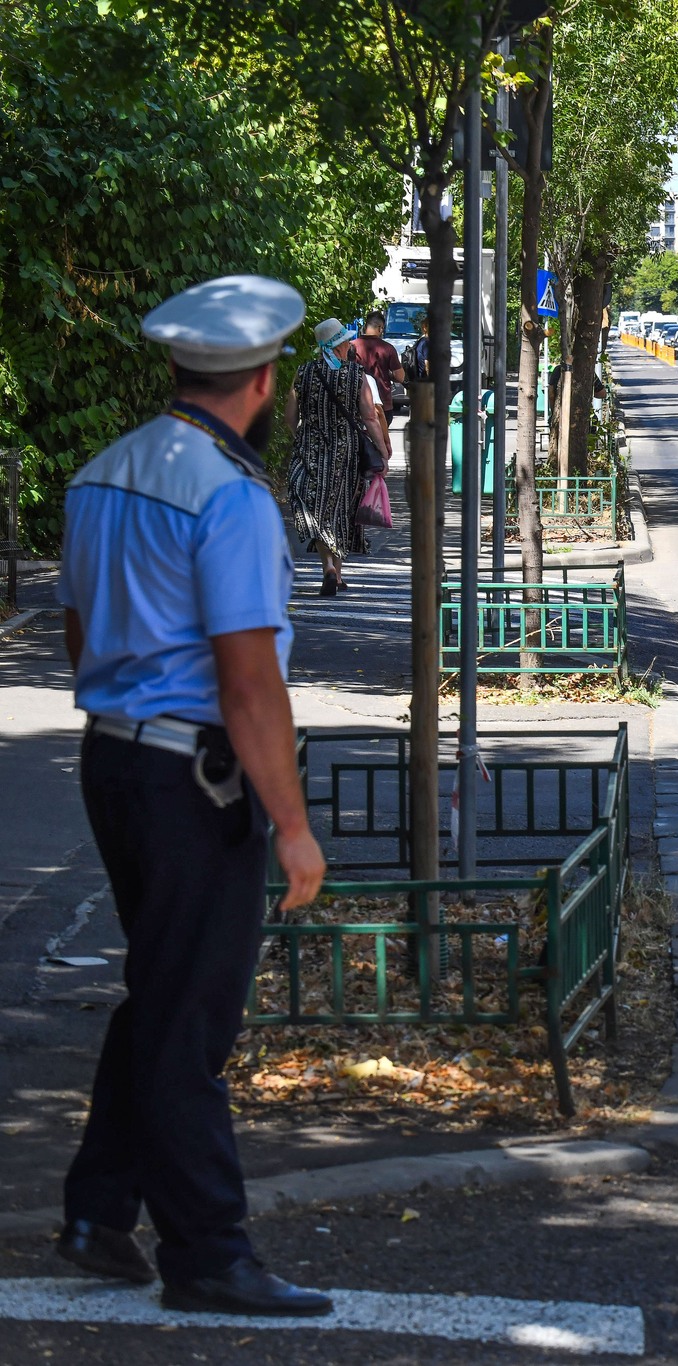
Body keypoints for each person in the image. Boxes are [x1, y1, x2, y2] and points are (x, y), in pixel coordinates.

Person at [55, 274, 332, 1316]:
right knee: (193, 1020)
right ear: (261, 382)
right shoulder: (228, 494)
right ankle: (208, 1252)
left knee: (161, 990)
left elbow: (81, 630)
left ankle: (96, 1211)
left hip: (112, 759)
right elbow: (248, 678)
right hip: (193, 776)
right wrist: (293, 826)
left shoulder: (101, 473)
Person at [283, 318, 390, 596]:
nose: (348, 343)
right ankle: (335, 573)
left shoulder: (303, 372)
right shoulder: (356, 375)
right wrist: (381, 451)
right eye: (345, 340)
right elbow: (369, 416)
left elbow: (289, 417)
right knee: (341, 510)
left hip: (310, 449)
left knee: (317, 510)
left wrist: (302, 439)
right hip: (346, 453)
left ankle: (331, 570)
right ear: (339, 346)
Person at [348, 310, 406, 415]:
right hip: (382, 404)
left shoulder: (351, 346)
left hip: (355, 402)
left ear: (366, 326)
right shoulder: (388, 348)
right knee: (380, 431)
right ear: (380, 328)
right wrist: (388, 375)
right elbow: (400, 377)